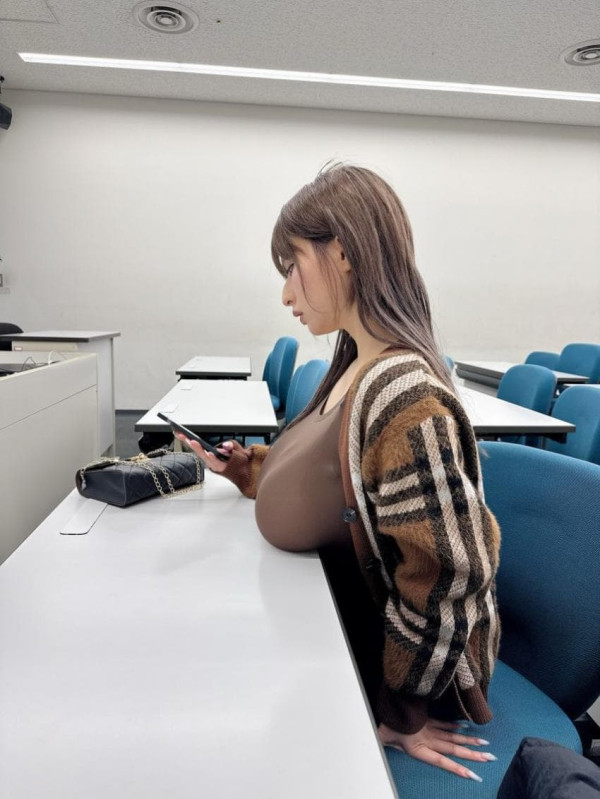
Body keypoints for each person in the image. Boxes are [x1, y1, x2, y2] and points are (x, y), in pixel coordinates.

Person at [178, 163, 501, 782]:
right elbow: (335, 475)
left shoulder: (407, 399)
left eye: (292, 265)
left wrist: (399, 711)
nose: (286, 294)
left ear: (345, 253)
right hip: (319, 623)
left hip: (388, 672)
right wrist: (249, 471)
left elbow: (448, 573)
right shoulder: (354, 361)